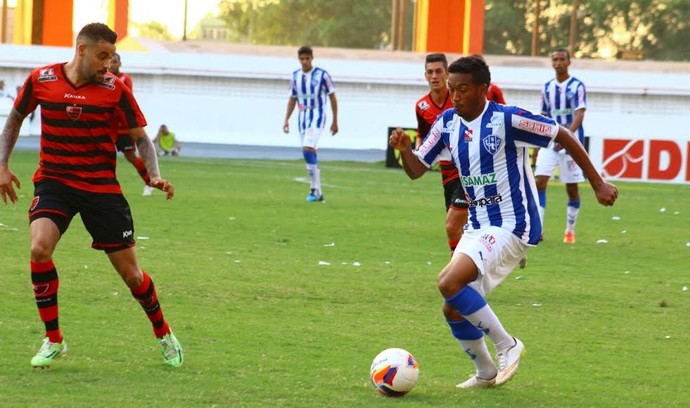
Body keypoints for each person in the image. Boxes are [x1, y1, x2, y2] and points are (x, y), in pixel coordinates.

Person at [389, 56, 617, 389]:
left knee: (448, 282)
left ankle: (507, 344)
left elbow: (563, 135)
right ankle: (485, 373)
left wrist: (597, 183)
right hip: (478, 226)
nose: (454, 97)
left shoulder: (508, 120)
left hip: (512, 224)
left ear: (483, 90)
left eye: (462, 90)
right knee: (453, 308)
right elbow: (416, 169)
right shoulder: (447, 122)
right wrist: (405, 150)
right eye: (451, 90)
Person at [0, 23, 183, 369]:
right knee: (39, 248)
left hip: (101, 189)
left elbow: (141, 138)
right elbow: (14, 119)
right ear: (81, 50)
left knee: (132, 276)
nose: (108, 65)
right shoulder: (42, 79)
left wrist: (154, 175)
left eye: (111, 58)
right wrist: (2, 164)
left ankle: (164, 334)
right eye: (102, 56)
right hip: (55, 183)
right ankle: (53, 339)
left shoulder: (116, 89)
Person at [414, 53, 468, 256]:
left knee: (453, 225)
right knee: (459, 227)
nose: (434, 76)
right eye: (430, 72)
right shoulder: (421, 106)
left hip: (469, 171)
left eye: (438, 71)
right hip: (447, 176)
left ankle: (458, 274)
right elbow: (423, 135)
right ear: (425, 75)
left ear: (447, 74)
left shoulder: (459, 98)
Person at [533, 48, 587, 243]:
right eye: (555, 59)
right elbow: (544, 116)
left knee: (572, 188)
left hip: (572, 144)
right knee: (539, 182)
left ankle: (569, 231)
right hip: (550, 141)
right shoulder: (547, 88)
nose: (558, 63)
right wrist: (539, 142)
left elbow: (579, 114)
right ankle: (537, 230)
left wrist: (567, 137)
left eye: (562, 59)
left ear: (568, 62)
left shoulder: (577, 86)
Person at [282, 45, 338, 202]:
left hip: (318, 117)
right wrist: (286, 119)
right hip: (302, 119)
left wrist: (335, 121)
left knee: (307, 151)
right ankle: (318, 193)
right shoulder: (295, 77)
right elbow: (292, 99)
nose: (305, 61)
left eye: (307, 58)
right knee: (310, 153)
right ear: (299, 59)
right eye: (302, 59)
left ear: (312, 58)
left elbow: (332, 97)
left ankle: (314, 189)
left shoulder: (322, 75)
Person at [109, 52, 154, 196]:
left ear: (120, 64)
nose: (112, 64)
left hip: (122, 127)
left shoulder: (124, 79)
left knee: (130, 156)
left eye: (115, 61)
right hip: (108, 126)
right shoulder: (101, 78)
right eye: (110, 61)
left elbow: (123, 100)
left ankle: (150, 182)